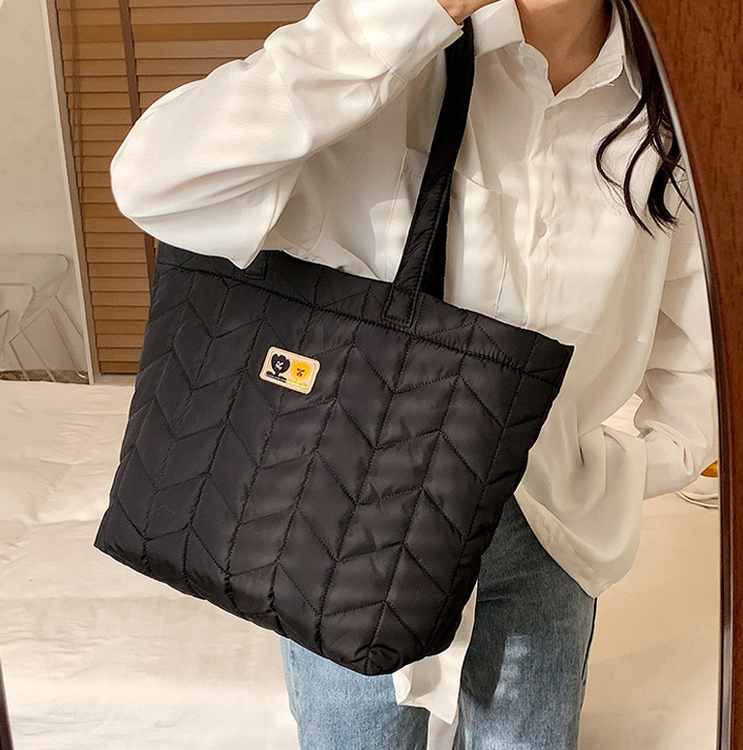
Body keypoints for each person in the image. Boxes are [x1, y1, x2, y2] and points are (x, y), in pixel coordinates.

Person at [108, 0, 718, 747]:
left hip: (549, 523)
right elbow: (152, 180)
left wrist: (637, 464)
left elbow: (700, 340)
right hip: (347, 518)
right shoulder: (392, 56)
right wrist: (409, 15)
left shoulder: (671, 102)